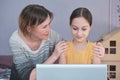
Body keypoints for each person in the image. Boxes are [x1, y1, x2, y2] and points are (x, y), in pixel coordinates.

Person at [9, 4, 67, 80]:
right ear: (29, 29)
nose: (49, 30)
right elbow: (29, 77)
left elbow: (65, 54)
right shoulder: (16, 40)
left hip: (43, 76)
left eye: (49, 24)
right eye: (44, 27)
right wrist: (54, 56)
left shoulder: (52, 35)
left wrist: (62, 53)